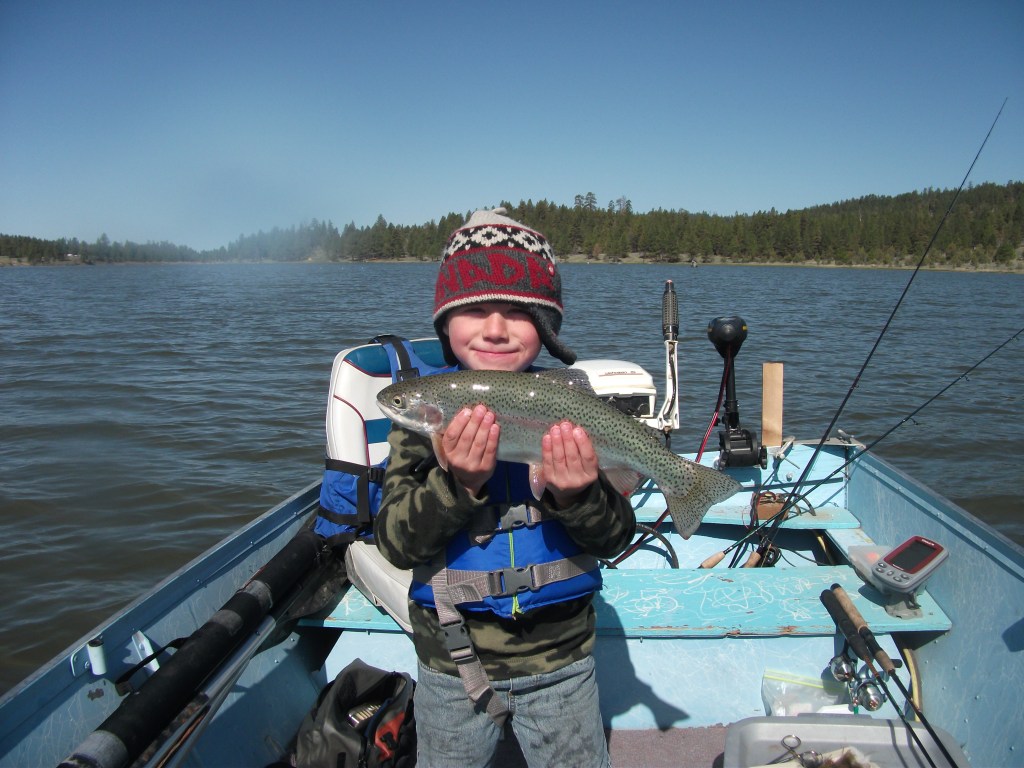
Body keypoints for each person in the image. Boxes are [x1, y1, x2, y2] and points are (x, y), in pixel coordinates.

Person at [373, 208, 636, 768]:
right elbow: (396, 545)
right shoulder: (419, 425)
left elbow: (614, 538)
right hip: (450, 659)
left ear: (546, 328)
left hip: (562, 659)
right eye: (474, 310)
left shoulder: (571, 407)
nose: (495, 328)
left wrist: (577, 495)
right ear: (445, 323)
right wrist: (457, 484)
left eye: (518, 312)